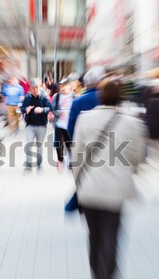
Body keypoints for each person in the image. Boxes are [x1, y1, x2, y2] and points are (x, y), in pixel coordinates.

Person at [71, 80, 146, 279]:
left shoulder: (85, 119)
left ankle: (97, 276)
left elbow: (77, 157)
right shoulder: (133, 122)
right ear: (121, 96)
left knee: (93, 235)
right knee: (112, 234)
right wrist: (127, 170)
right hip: (117, 188)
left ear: (100, 96)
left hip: (89, 187)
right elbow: (138, 156)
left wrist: (78, 183)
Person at [66, 67, 105, 211]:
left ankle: (86, 205)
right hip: (108, 148)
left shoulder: (77, 102)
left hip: (83, 148)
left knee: (83, 177)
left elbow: (70, 128)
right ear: (101, 82)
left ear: (85, 84)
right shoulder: (106, 100)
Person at [20, 79, 51, 170]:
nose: (35, 90)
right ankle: (28, 163)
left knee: (39, 145)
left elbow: (49, 108)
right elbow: (21, 109)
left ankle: (39, 162)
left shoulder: (43, 97)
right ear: (30, 89)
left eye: (37, 87)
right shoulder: (27, 98)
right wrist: (26, 109)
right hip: (30, 125)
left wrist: (42, 110)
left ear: (39, 87)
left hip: (41, 125)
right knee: (29, 144)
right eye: (33, 88)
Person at [50, 78, 74, 169]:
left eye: (65, 86)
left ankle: (71, 161)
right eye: (61, 86)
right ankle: (60, 160)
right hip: (59, 123)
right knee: (58, 143)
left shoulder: (73, 96)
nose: (63, 88)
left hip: (69, 124)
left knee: (70, 143)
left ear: (69, 86)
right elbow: (52, 108)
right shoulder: (57, 96)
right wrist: (59, 113)